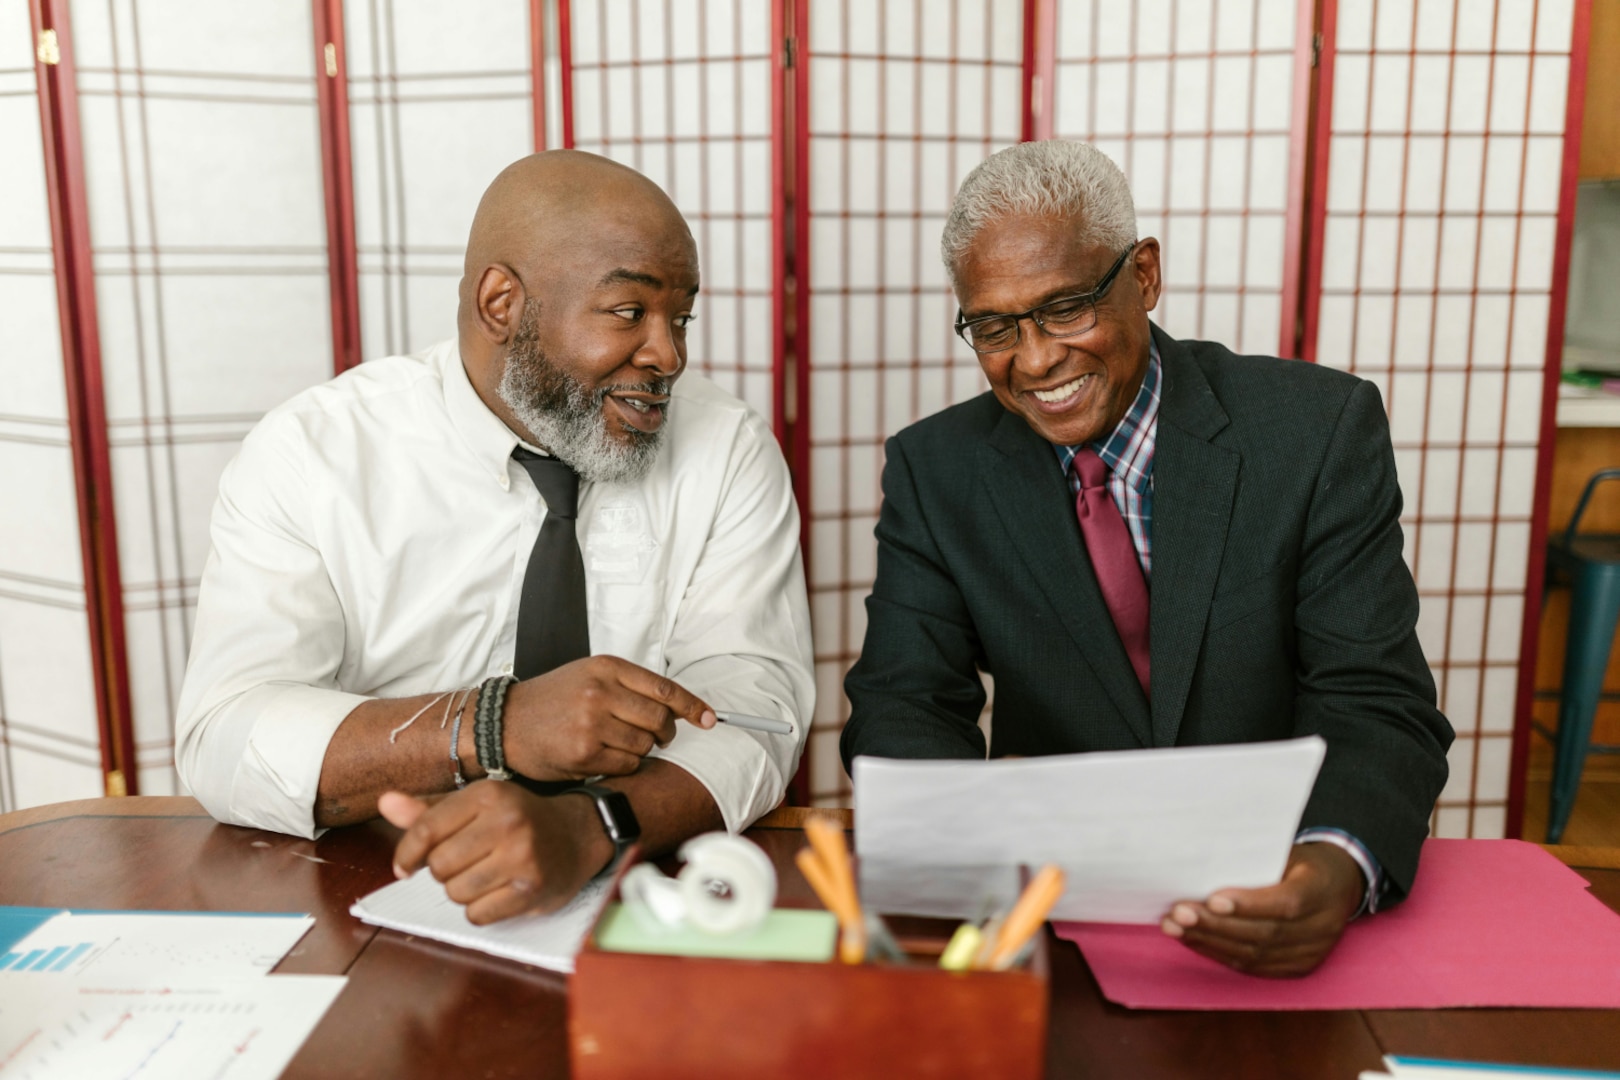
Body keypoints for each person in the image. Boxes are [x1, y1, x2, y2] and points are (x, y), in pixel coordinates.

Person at [840, 140, 1452, 977]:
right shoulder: (935, 470)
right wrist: (969, 858)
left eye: (1065, 308)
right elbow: (903, 704)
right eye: (993, 326)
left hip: (1270, 878)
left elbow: (1374, 698)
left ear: (1146, 276)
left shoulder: (1315, 431)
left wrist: (1335, 866)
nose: (1034, 359)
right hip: (1046, 904)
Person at [176, 151, 813, 924]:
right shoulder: (315, 454)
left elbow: (756, 706)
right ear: (502, 303)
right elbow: (225, 734)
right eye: (628, 313)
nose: (668, 355)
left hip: (648, 880)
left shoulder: (727, 448)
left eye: (680, 318)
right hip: (370, 887)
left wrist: (590, 827)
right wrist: (493, 724)